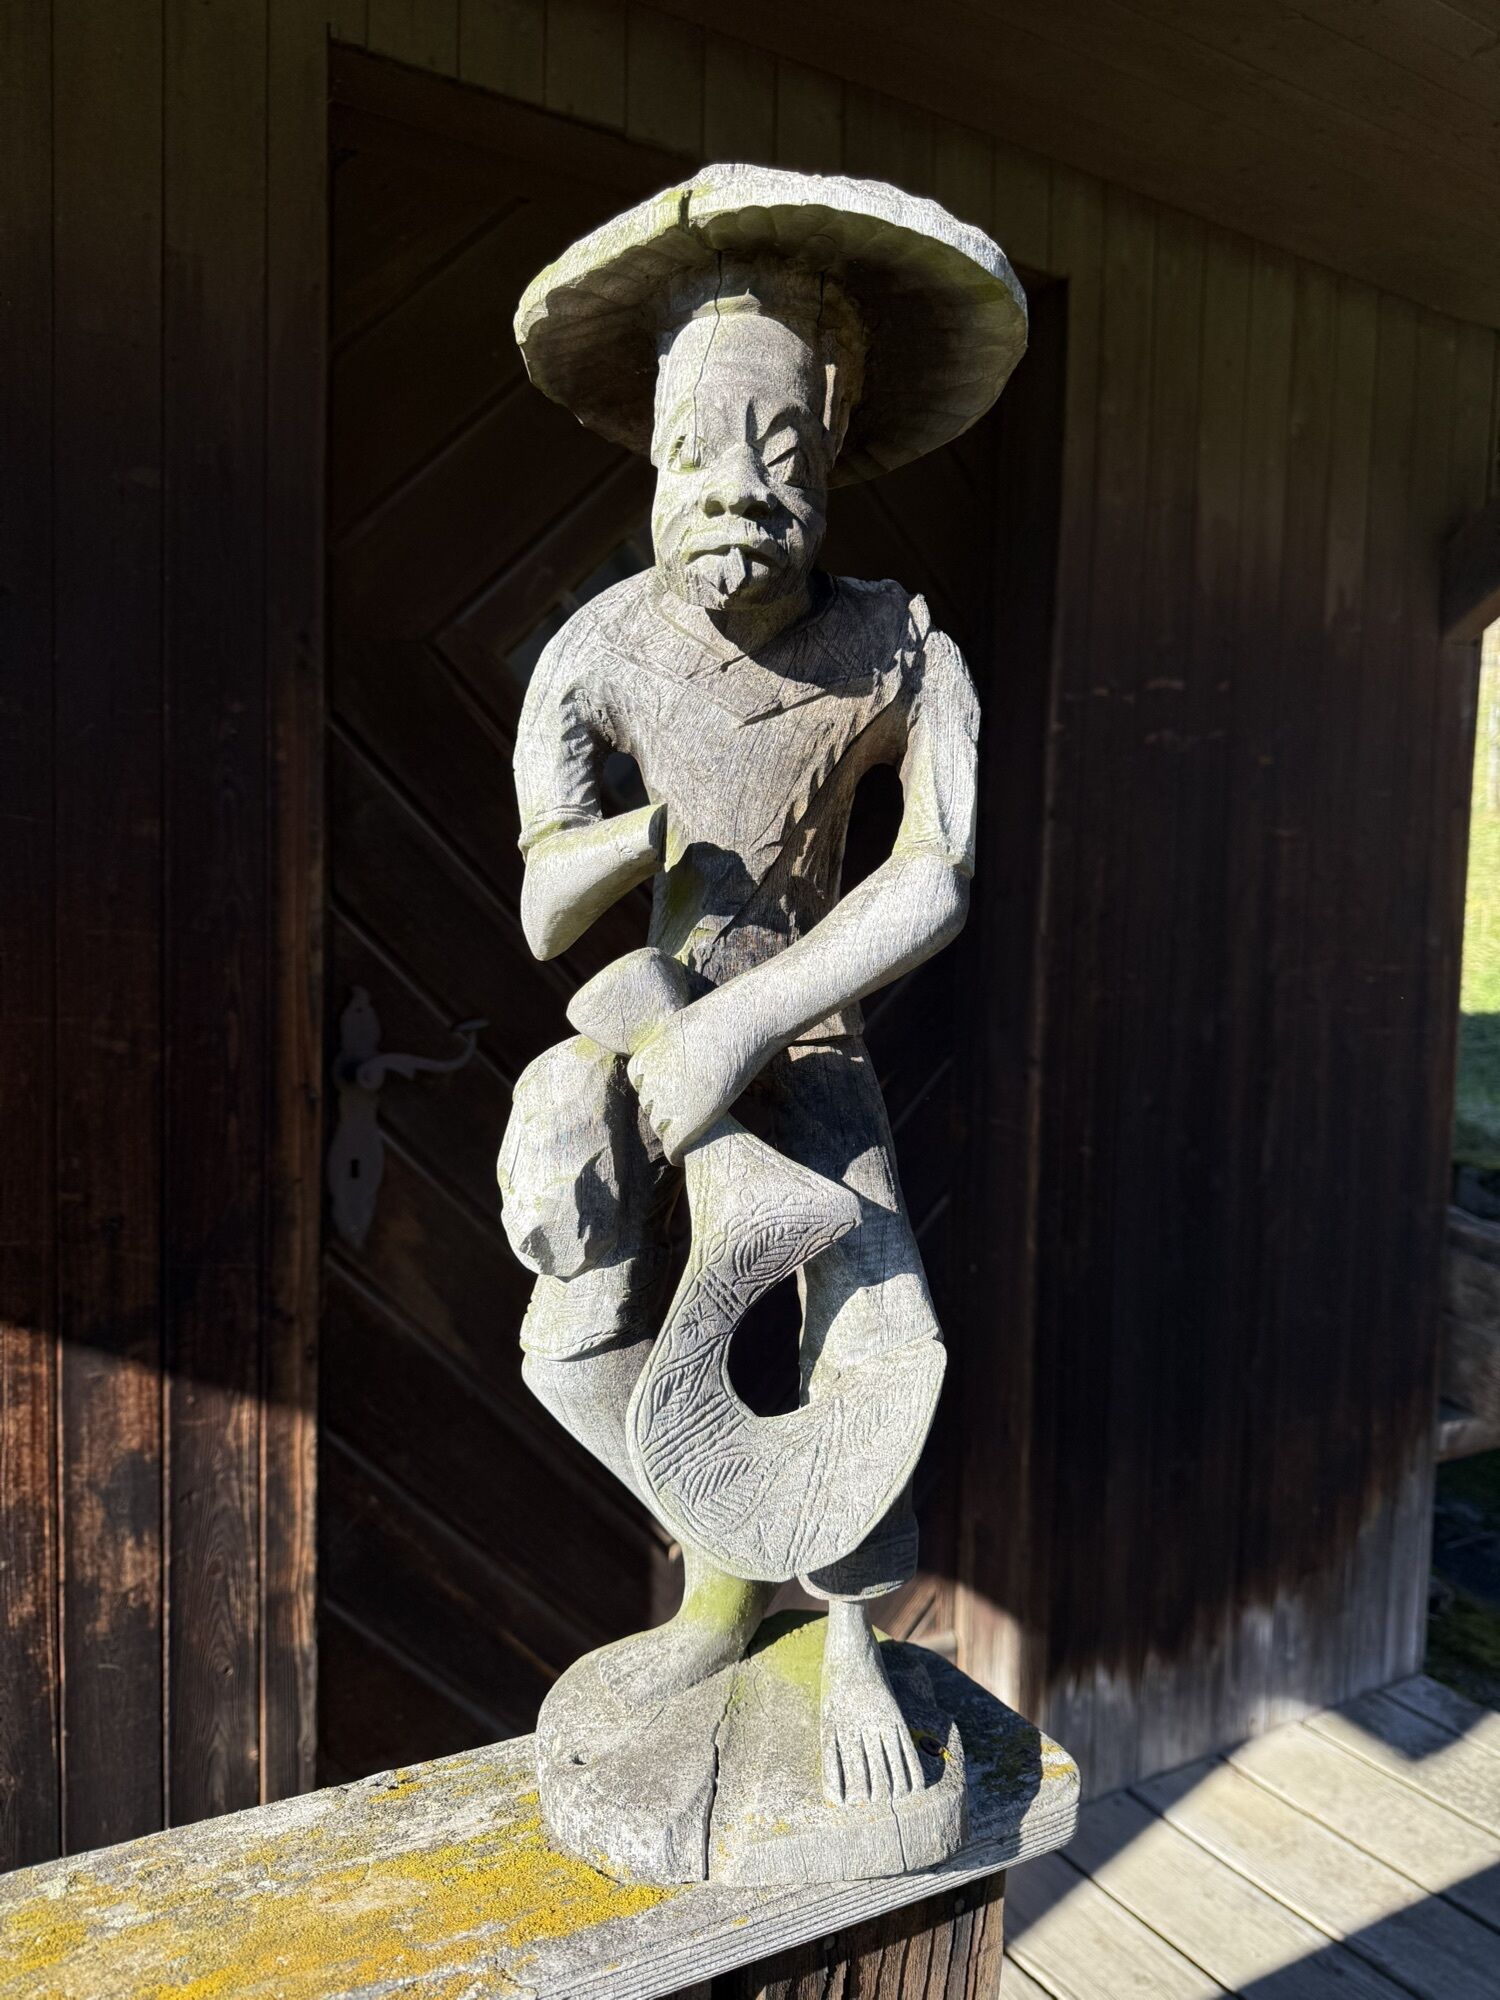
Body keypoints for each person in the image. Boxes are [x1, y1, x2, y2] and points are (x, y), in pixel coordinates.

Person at [500, 167, 1026, 1810]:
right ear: (655, 452)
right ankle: (723, 1581)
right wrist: (628, 848)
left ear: (837, 446)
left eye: (785, 454)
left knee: (872, 1325)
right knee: (566, 1305)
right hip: (649, 1019)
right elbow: (544, 904)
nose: (740, 489)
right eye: (699, 451)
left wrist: (746, 1025)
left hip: (803, 1030)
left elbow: (933, 874)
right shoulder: (601, 648)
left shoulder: (897, 647)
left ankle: (849, 1630)